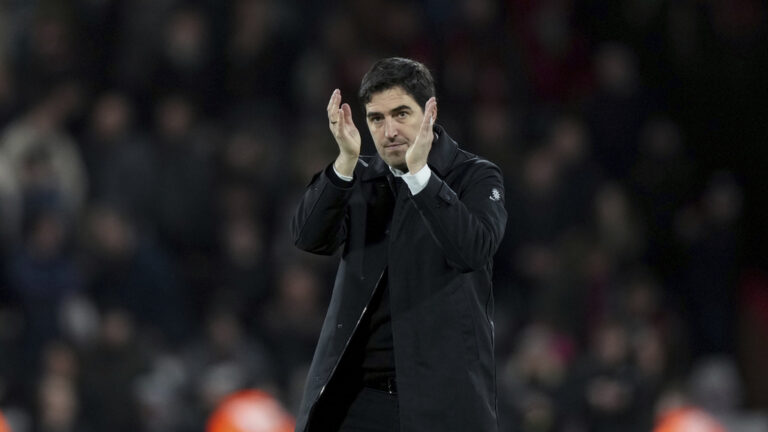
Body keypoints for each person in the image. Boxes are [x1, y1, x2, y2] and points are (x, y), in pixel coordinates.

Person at [291, 57, 508, 432]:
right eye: (376, 118)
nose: (389, 131)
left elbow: (472, 250)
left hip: (439, 401)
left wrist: (420, 175)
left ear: (430, 112)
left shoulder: (474, 176)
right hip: (359, 400)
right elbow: (308, 238)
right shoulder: (359, 176)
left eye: (401, 114)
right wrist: (345, 161)